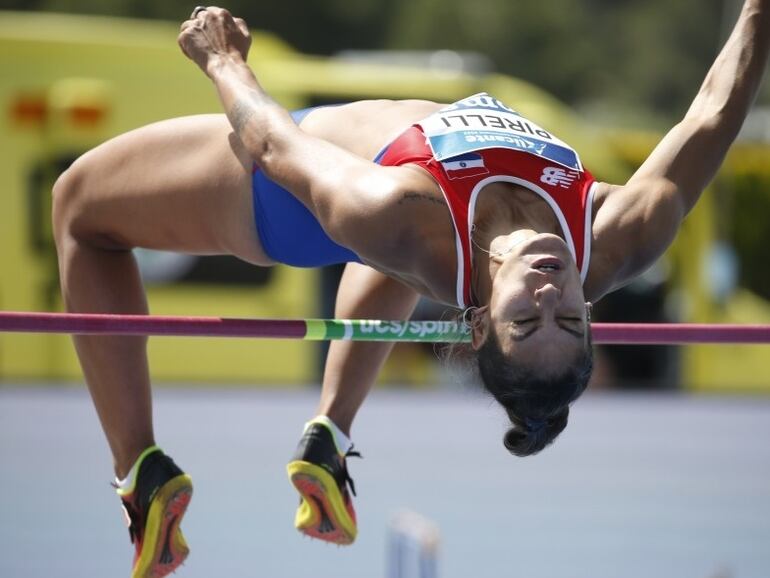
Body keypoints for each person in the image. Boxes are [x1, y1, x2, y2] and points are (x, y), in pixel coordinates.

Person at [51, 2, 769, 576]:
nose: (552, 291)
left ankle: (139, 472)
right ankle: (327, 436)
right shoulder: (620, 233)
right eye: (571, 320)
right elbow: (715, 110)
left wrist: (222, 57)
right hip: (402, 212)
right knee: (406, 244)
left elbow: (269, 146)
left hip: (292, 187)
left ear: (483, 325)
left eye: (528, 321)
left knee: (79, 207)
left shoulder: (394, 217)